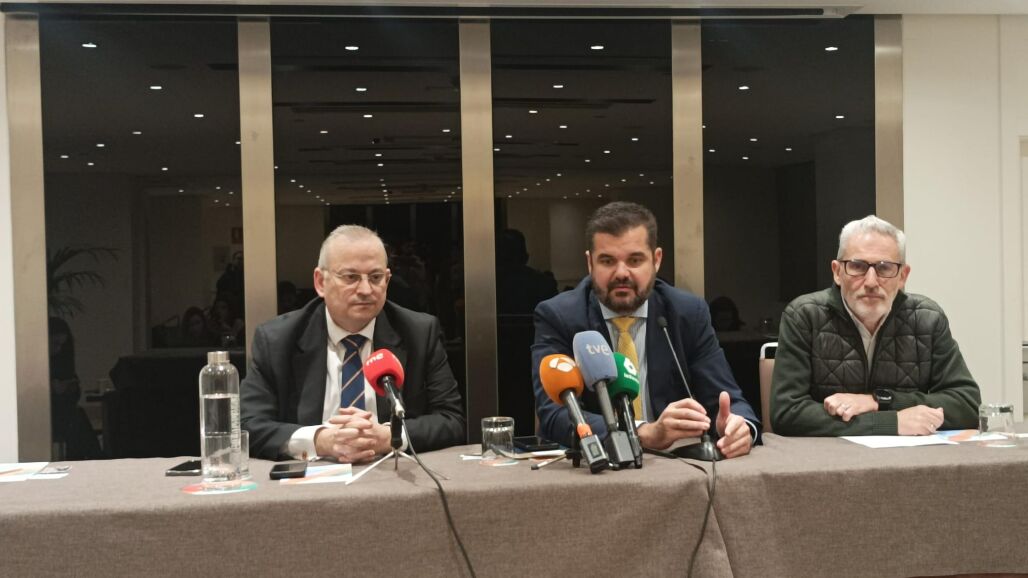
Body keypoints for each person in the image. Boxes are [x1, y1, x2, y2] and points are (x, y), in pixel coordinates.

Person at [532, 202, 760, 459]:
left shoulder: (687, 313)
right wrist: (642, 433)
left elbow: (728, 399)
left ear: (656, 260)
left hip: (675, 464)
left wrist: (739, 428)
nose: (621, 273)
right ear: (590, 263)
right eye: (607, 261)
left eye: (635, 260)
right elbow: (554, 415)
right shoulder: (560, 317)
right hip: (597, 466)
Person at [241, 225, 465, 462]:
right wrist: (323, 441)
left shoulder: (419, 333)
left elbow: (452, 420)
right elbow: (248, 425)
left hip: (391, 473)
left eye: (376, 278)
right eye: (351, 277)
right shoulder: (277, 339)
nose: (366, 290)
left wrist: (388, 436)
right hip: (312, 477)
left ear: (387, 280)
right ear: (320, 282)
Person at [771, 215, 981, 436]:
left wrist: (877, 400)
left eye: (884, 268)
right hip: (828, 454)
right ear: (837, 272)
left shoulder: (927, 319)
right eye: (857, 266)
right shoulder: (804, 316)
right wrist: (891, 423)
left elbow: (968, 405)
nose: (871, 282)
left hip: (910, 454)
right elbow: (786, 413)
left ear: (903, 276)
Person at [48, 317, 102, 460]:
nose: (58, 349)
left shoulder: (61, 362)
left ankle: (89, 457)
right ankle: (93, 457)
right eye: (55, 343)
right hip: (48, 413)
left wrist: (66, 389)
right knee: (76, 418)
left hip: (62, 411)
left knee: (76, 417)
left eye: (61, 345)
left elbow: (74, 395)